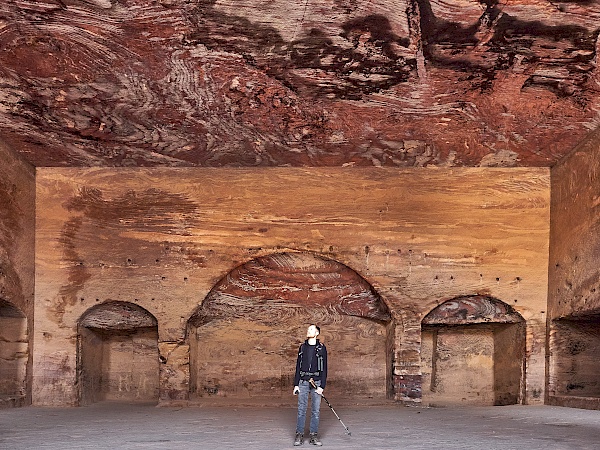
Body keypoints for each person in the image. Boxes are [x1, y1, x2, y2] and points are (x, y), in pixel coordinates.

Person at [293, 324, 327, 446]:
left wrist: (322, 386)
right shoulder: (302, 347)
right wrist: (296, 384)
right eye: (308, 329)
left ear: (317, 333)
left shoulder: (322, 348)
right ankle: (299, 434)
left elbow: (325, 368)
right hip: (303, 382)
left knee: (315, 410)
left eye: (311, 329)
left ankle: (313, 435)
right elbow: (298, 366)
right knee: (301, 409)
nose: (308, 331)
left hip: (316, 382)